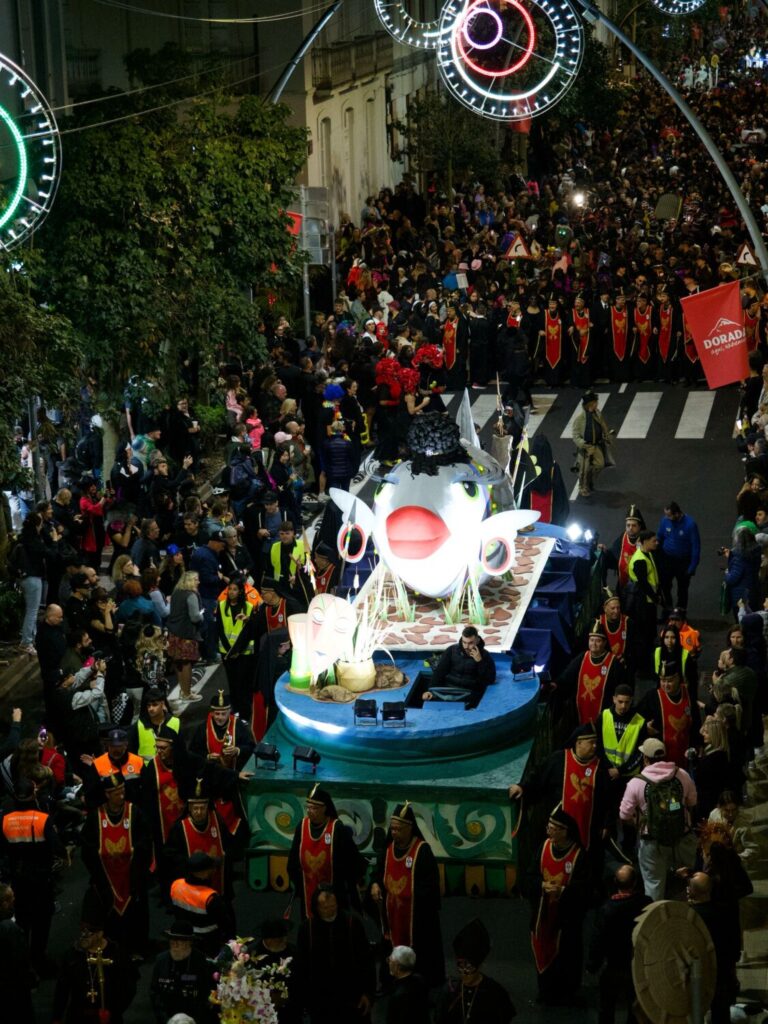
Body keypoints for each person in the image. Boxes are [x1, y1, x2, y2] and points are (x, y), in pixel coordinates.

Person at [370, 802, 445, 988]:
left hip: (415, 917)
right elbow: (378, 874)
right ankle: (389, 981)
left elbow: (431, 886)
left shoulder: (422, 851)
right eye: (392, 829)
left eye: (399, 829)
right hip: (392, 915)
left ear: (410, 828)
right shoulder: (387, 851)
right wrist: (374, 884)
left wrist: (406, 895)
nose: (394, 833)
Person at [80, 772, 152, 960]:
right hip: (106, 879)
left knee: (135, 915)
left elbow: (145, 844)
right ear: (106, 794)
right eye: (116, 793)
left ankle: (136, 949)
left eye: (122, 791)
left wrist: (137, 872)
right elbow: (87, 850)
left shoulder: (135, 813)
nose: (121, 796)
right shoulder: (96, 817)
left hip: (131, 877)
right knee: (109, 917)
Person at [509, 722, 608, 857]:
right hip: (558, 828)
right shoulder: (558, 759)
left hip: (588, 827)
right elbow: (538, 776)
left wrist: (606, 823)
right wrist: (522, 787)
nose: (595, 746)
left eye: (596, 742)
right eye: (591, 742)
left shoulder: (600, 767)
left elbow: (607, 799)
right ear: (578, 743)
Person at [619, 738, 697, 900]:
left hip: (652, 843)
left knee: (654, 885)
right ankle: (685, 921)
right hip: (682, 838)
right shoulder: (681, 774)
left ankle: (659, 922)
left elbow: (624, 815)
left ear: (645, 758)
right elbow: (692, 802)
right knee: (685, 884)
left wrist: (638, 821)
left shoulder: (636, 783)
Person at [0, 777, 63, 977]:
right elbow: (57, 848)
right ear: (33, 795)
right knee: (42, 922)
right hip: (41, 878)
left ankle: (23, 963)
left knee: (22, 922)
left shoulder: (5, 819)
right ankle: (39, 960)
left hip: (18, 879)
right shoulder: (42, 819)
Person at [528, 805, 589, 1007]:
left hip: (567, 918)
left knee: (568, 954)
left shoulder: (579, 855)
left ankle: (568, 993)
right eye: (549, 827)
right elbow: (528, 876)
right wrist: (540, 885)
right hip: (543, 914)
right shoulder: (544, 847)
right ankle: (545, 992)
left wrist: (562, 892)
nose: (549, 831)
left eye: (553, 828)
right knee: (543, 950)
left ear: (565, 831)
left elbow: (587, 890)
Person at [52, 891, 137, 1024]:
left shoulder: (116, 954)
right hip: (78, 1017)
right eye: (82, 931)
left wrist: (114, 1011)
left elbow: (129, 988)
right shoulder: (73, 956)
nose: (84, 937)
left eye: (89, 933)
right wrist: (56, 1018)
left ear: (100, 933)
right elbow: (62, 989)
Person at [297, 884, 376, 1024]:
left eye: (333, 906)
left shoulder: (352, 923)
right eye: (325, 907)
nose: (330, 910)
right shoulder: (307, 929)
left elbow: (367, 961)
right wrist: (305, 999)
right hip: (321, 999)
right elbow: (302, 966)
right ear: (317, 908)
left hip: (351, 996)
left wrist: (368, 993)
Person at [287, 784, 367, 917]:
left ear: (325, 808)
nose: (310, 811)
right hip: (308, 888)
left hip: (334, 889)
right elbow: (293, 859)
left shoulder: (337, 828)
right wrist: (299, 884)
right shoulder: (302, 826)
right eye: (308, 807)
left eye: (314, 808)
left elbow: (352, 858)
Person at [586, 865, 651, 1024]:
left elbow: (598, 939)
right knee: (635, 1010)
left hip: (613, 966)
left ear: (615, 882)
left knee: (606, 1008)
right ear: (635, 882)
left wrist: (593, 964)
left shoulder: (607, 909)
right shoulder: (645, 904)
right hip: (637, 967)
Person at [435, 918, 516, 1023]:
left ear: (479, 966)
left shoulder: (494, 993)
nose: (464, 974)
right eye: (460, 967)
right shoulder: (449, 992)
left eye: (469, 968)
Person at [688, 872, 739, 1024]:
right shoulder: (724, 911)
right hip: (722, 969)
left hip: (698, 971)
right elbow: (733, 940)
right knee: (721, 1012)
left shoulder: (690, 917)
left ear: (692, 891)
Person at [558, 620, 626, 727]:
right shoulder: (582, 657)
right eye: (591, 640)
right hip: (581, 711)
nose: (593, 644)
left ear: (604, 643)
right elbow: (567, 676)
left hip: (604, 713)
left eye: (598, 641)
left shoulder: (614, 663)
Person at [169, 851, 235, 956]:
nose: (214, 871)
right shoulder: (210, 898)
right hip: (208, 944)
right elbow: (226, 925)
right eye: (211, 868)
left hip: (184, 939)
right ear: (203, 873)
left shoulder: (176, 885)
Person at [149, 919, 215, 1024]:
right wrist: (166, 1020)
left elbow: (207, 995)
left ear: (188, 942)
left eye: (178, 940)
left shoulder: (201, 962)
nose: (174, 944)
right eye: (172, 940)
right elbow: (155, 994)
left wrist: (194, 1020)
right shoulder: (161, 961)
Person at [638, 663, 699, 768]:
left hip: (684, 756)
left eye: (669, 681)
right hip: (660, 759)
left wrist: (698, 744)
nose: (665, 685)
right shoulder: (652, 697)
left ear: (678, 678)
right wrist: (645, 727)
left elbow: (697, 722)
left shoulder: (688, 694)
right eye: (662, 680)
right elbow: (635, 718)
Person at [422, 626, 496, 708]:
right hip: (447, 689)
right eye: (464, 642)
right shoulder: (451, 650)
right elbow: (439, 673)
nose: (466, 647)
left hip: (468, 693)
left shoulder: (485, 655)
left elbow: (490, 680)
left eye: (470, 643)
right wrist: (429, 690)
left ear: (477, 641)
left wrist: (480, 662)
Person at [167, 570, 206, 702]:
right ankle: (187, 693)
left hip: (173, 632)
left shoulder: (176, 592)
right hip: (186, 634)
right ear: (190, 581)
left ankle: (183, 690)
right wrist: (202, 616)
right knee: (186, 664)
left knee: (179, 664)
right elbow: (195, 617)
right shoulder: (191, 595)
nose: (198, 582)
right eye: (196, 579)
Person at [656, 501, 700, 613]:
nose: (666, 517)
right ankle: (667, 609)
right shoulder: (665, 521)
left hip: (683, 562)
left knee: (682, 589)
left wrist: (692, 567)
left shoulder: (690, 524)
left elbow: (695, 547)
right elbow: (659, 537)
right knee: (664, 585)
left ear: (677, 514)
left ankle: (680, 612)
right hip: (667, 559)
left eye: (669, 515)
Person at [0, 883, 36, 1018]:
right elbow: (21, 958)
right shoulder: (9, 929)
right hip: (14, 985)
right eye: (12, 899)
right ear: (4, 903)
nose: (14, 901)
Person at [627, 530, 662, 664]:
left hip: (648, 600)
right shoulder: (639, 560)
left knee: (649, 631)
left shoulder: (647, 554)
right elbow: (643, 583)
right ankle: (643, 662)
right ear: (645, 542)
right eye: (654, 541)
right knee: (644, 633)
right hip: (643, 602)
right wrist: (655, 597)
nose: (656, 543)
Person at [17, 511, 49, 656]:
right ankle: (26, 642)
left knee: (30, 610)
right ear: (38, 524)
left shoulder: (22, 537)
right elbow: (45, 552)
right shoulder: (34, 540)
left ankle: (31, 638)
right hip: (32, 578)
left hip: (24, 577)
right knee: (32, 611)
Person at [572, 390, 614, 498]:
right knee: (583, 470)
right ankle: (582, 487)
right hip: (586, 447)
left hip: (596, 445)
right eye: (595, 402)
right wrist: (584, 444)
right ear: (591, 404)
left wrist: (607, 436)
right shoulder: (580, 419)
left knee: (600, 465)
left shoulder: (597, 413)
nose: (597, 404)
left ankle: (589, 480)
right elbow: (575, 436)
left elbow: (603, 426)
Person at [385, 946, 431, 1024]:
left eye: (390, 960)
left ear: (397, 966)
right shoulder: (420, 980)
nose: (388, 963)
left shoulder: (398, 996)